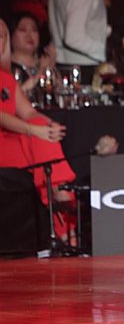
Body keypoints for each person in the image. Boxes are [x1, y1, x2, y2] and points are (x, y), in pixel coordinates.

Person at [0, 19, 76, 243]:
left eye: (1, 36)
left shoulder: (6, 78)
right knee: (38, 140)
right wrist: (34, 130)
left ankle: (60, 199)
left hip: (13, 140)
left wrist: (49, 125)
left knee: (42, 131)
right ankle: (65, 218)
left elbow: (28, 112)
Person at [8, 11, 56, 98]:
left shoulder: (43, 61)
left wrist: (51, 67)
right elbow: (16, 98)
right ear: (11, 35)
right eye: (23, 30)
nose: (29, 35)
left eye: (34, 30)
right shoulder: (7, 67)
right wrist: (41, 71)